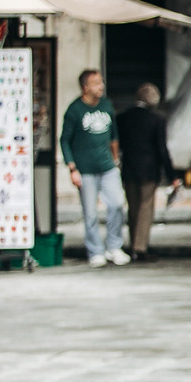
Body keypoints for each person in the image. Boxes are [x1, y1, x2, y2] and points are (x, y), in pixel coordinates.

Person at [61, 69, 129, 268]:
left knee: (117, 203)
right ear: (85, 87)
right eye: (97, 83)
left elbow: (113, 134)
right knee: (90, 212)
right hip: (85, 169)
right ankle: (95, 251)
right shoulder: (75, 110)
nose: (101, 87)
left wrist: (115, 160)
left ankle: (114, 246)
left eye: (101, 82)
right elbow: (64, 140)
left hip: (107, 166)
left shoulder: (107, 105)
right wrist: (72, 168)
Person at [116, 83, 176, 263]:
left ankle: (133, 243)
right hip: (149, 170)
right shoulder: (157, 120)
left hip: (129, 168)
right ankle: (139, 247)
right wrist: (172, 175)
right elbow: (162, 149)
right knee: (145, 208)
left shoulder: (122, 118)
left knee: (133, 208)